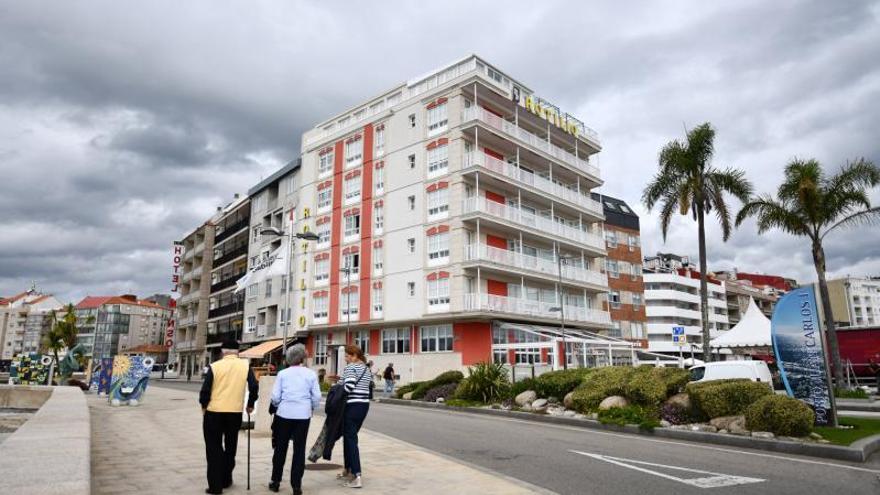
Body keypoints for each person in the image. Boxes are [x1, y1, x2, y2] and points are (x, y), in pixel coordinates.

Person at [199, 340, 259, 495]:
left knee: (213, 449)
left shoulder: (215, 366)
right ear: (237, 352)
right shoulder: (246, 366)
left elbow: (205, 391)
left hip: (214, 412)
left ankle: (215, 487)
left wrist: (204, 406)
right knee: (230, 447)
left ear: (223, 351)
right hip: (234, 413)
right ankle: (226, 479)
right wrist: (250, 404)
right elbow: (254, 386)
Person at [268, 344, 321, 495]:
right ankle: (296, 485)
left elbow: (275, 397)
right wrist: (310, 406)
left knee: (280, 448)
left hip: (284, 414)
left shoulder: (283, 374)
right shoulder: (310, 374)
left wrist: (279, 404)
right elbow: (317, 397)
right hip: (303, 415)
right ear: (302, 358)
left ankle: (275, 481)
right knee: (299, 450)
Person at [338, 344, 372, 488]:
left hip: (352, 406)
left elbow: (348, 386)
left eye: (347, 356)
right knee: (349, 436)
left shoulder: (351, 367)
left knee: (351, 439)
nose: (346, 358)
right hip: (363, 406)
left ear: (354, 356)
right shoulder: (366, 368)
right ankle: (348, 469)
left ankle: (357, 475)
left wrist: (338, 387)